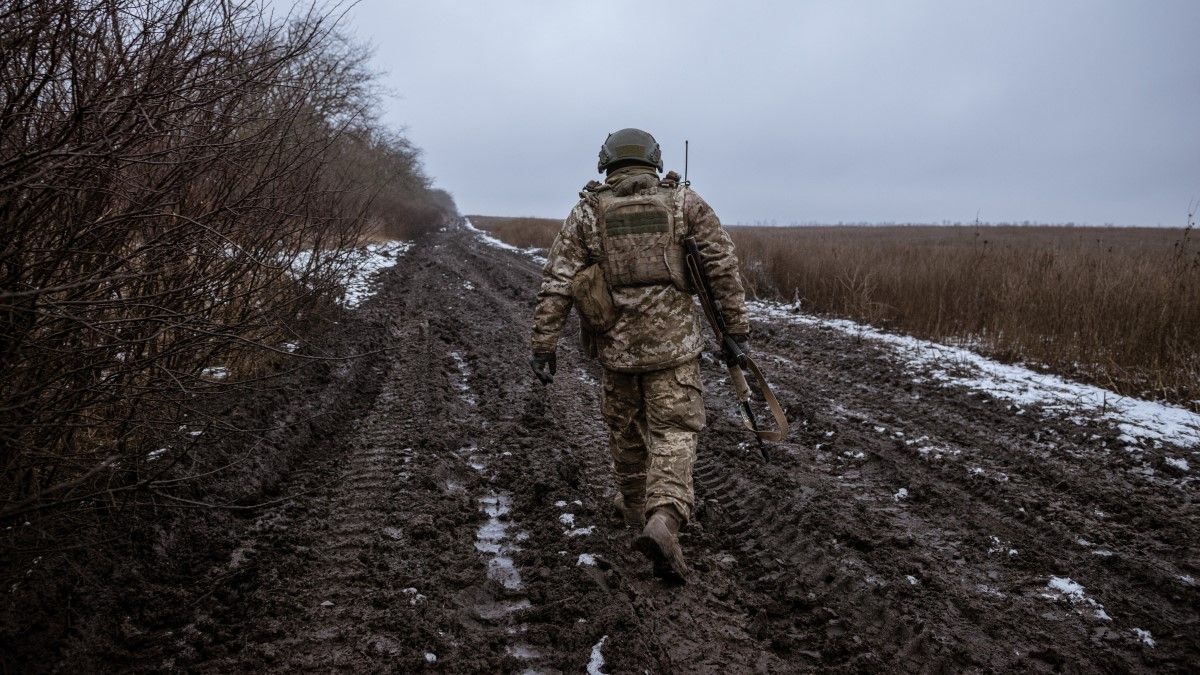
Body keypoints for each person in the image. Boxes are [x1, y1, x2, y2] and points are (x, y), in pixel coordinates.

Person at [528, 128, 749, 583]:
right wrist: (736, 330)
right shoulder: (685, 203)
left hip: (617, 351)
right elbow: (721, 267)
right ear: (653, 160)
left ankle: (633, 508)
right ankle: (663, 517)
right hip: (674, 352)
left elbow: (557, 281)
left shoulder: (588, 212)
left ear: (606, 162)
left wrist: (544, 344)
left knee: (624, 429)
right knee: (674, 432)